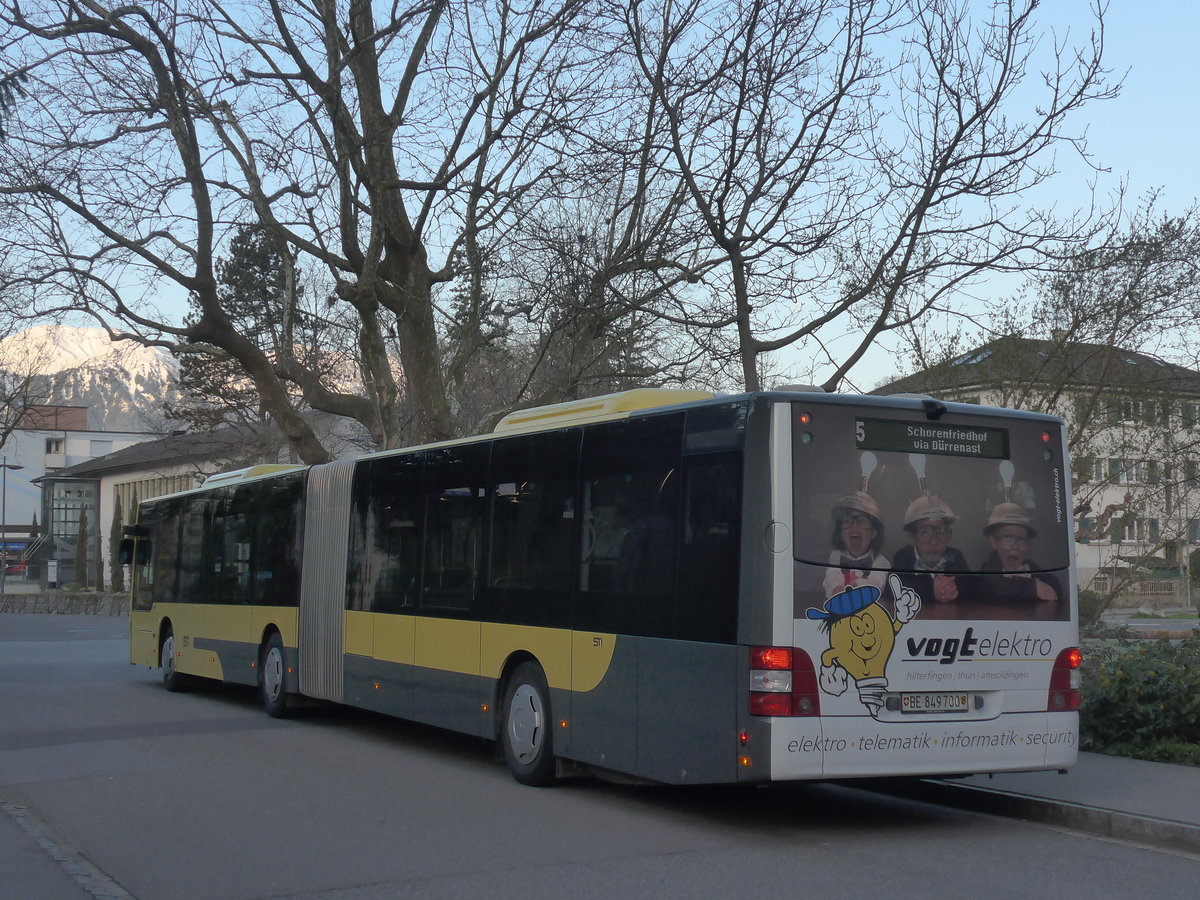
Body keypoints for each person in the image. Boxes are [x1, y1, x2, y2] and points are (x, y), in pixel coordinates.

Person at [891, 495, 969, 605]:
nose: (933, 542)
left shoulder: (955, 557)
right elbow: (892, 590)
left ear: (948, 537)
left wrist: (952, 589)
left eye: (940, 532)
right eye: (925, 533)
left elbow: (972, 588)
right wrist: (931, 589)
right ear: (913, 538)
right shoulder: (903, 558)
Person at [977, 503, 1061, 603]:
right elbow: (988, 587)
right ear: (994, 542)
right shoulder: (987, 569)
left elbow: (1056, 589)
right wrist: (1031, 587)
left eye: (1021, 538)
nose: (1015, 546)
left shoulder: (1031, 568)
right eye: (1008, 537)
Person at [822, 491, 889, 599]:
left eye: (862, 520)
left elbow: (877, 582)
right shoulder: (836, 556)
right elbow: (831, 576)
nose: (854, 526)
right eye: (847, 521)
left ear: (874, 532)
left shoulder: (881, 562)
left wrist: (859, 587)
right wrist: (836, 588)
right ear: (841, 533)